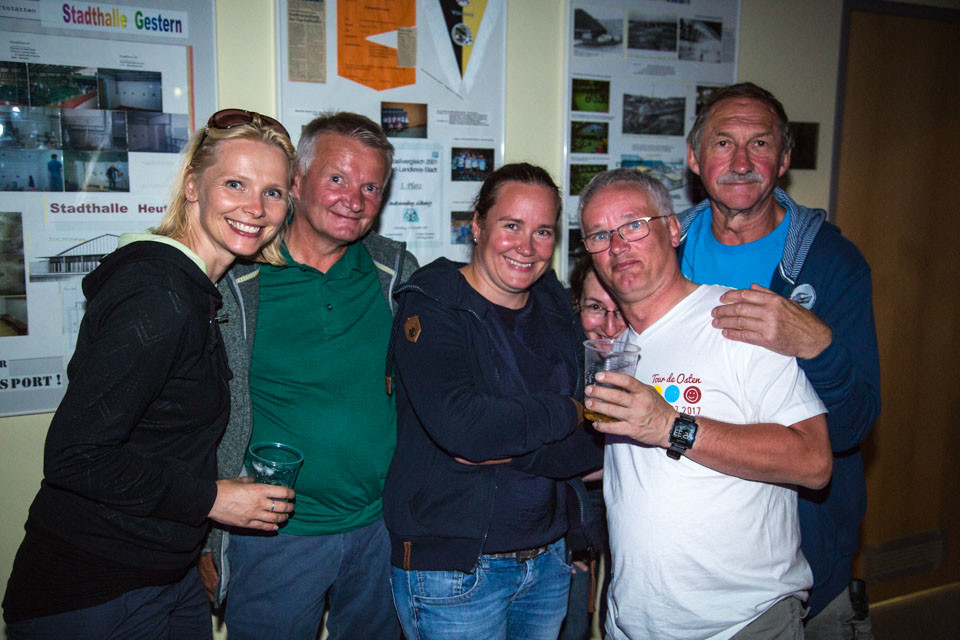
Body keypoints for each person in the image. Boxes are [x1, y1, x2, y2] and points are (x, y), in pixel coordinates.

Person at [2, 109, 296, 638]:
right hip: (94, 589)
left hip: (164, 575)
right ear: (192, 186)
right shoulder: (158, 295)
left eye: (272, 192)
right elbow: (75, 456)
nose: (256, 208)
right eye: (235, 184)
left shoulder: (196, 291)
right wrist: (213, 498)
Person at [579, 168, 832, 640]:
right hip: (633, 624)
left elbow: (814, 462)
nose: (618, 246)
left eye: (634, 225)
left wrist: (671, 426)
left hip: (742, 623)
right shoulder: (617, 348)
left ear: (674, 229)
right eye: (599, 235)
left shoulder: (735, 319)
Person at [200, 112, 417, 640]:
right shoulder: (235, 280)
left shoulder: (396, 275)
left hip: (381, 530)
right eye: (337, 178)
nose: (355, 200)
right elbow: (191, 415)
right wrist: (203, 540)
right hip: (272, 538)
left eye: (371, 187)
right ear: (296, 181)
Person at [681, 82, 880, 638]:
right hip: (687, 557)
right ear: (694, 158)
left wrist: (814, 344)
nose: (742, 162)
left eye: (761, 144)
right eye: (723, 143)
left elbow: (855, 426)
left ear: (785, 159)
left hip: (801, 565)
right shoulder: (661, 254)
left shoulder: (832, 264)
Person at [384, 163, 603, 640]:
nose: (527, 246)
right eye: (512, 226)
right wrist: (566, 412)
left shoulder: (555, 306)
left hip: (548, 561)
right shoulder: (433, 307)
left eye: (543, 231)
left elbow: (598, 434)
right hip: (456, 571)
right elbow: (467, 430)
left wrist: (508, 446)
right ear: (477, 226)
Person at [559, 254, 626, 640]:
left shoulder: (654, 358)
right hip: (571, 501)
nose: (609, 327)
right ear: (576, 305)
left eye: (621, 309)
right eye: (595, 308)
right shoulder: (559, 355)